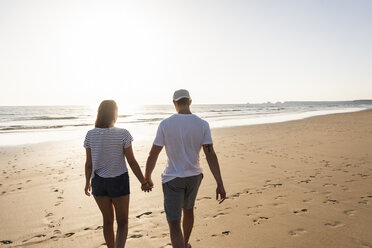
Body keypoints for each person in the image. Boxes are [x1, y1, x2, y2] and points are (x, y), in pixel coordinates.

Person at [145, 89, 226, 248]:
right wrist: (220, 183)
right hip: (194, 176)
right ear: (190, 102)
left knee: (174, 222)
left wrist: (147, 176)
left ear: (174, 103)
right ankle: (185, 243)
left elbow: (153, 154)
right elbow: (210, 155)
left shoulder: (165, 124)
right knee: (188, 210)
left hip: (173, 178)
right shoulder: (202, 124)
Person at [84, 100, 151, 248]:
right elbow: (132, 161)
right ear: (114, 113)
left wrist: (86, 182)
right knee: (122, 223)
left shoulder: (90, 135)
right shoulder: (123, 134)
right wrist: (143, 182)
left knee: (107, 221)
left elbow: (89, 164)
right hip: (119, 181)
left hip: (98, 182)